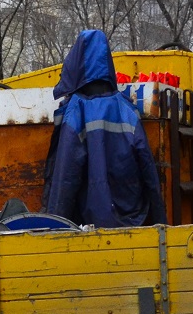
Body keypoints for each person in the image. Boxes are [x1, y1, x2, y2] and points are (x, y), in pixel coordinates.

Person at [42, 29, 167, 228]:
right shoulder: (127, 109)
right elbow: (149, 172)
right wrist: (161, 220)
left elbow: (65, 178)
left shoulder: (76, 110)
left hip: (88, 225)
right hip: (131, 220)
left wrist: (53, 226)